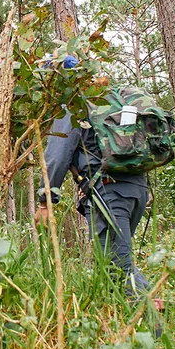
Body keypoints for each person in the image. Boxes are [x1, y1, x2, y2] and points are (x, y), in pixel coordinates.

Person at [36, 60, 155, 309]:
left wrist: (45, 200)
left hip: (109, 193)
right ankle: (141, 317)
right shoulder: (105, 99)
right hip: (135, 189)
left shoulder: (72, 106)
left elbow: (57, 156)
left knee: (116, 269)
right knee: (119, 259)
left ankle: (149, 331)